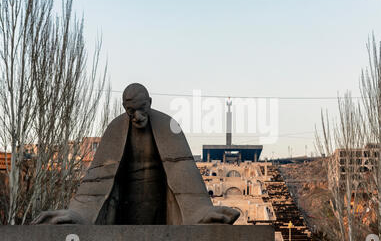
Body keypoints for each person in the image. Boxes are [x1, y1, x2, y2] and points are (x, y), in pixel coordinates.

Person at [32, 83, 239, 225]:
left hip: (160, 212)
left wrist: (201, 211)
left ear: (150, 102)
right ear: (125, 108)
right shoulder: (115, 129)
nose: (137, 117)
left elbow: (185, 173)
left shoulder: (168, 126)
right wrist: (77, 213)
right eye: (131, 111)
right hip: (123, 213)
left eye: (142, 109)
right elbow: (96, 181)